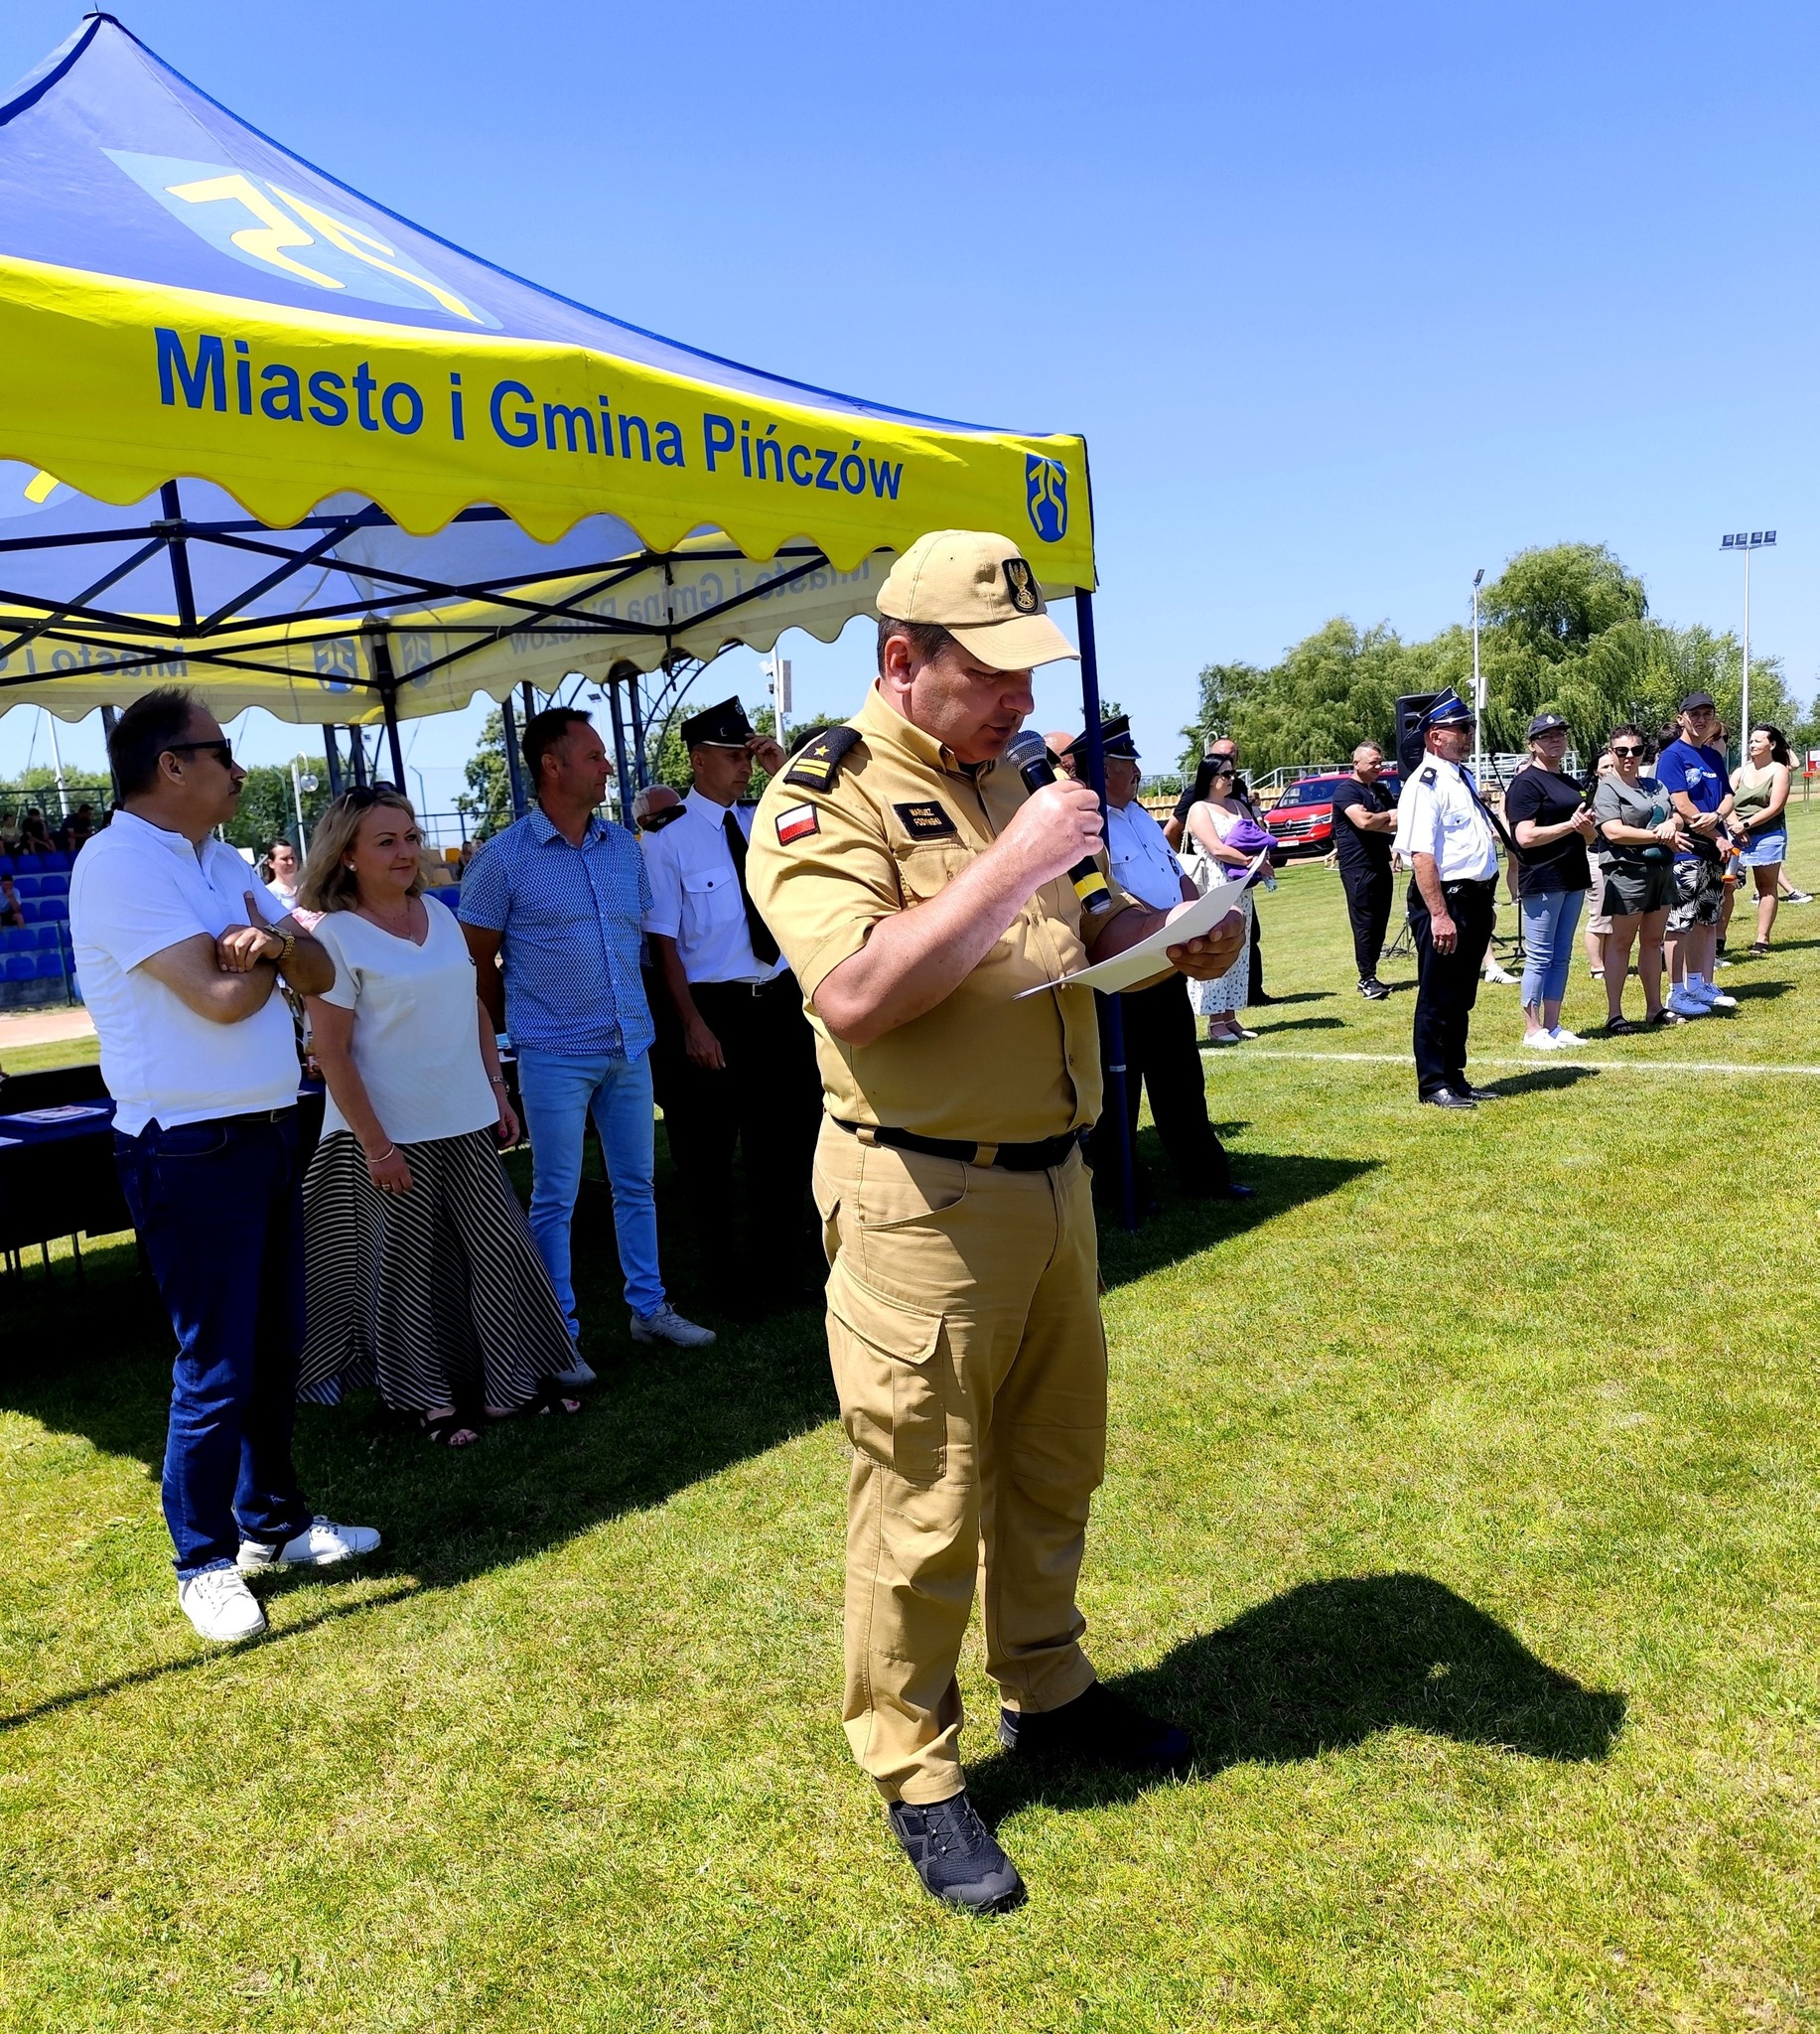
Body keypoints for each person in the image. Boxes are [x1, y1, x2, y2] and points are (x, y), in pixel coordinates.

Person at [746, 529, 1244, 1915]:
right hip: (918, 1197)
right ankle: (914, 1766)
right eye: (993, 675)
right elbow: (855, 994)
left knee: (1051, 1460)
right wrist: (1009, 861)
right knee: (921, 1497)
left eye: (1031, 674)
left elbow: (1089, 920)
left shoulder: (1014, 774)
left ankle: (1049, 1683)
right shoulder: (823, 794)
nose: (1022, 702)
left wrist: (1176, 936)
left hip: (1053, 1177)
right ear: (903, 660)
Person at [69, 687, 376, 1645]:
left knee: (276, 1345)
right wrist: (272, 957)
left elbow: (322, 973)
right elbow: (219, 997)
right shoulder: (117, 863)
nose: (238, 770)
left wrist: (270, 945)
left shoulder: (220, 860)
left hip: (265, 1128)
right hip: (189, 1144)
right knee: (216, 1362)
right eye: (222, 751)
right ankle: (201, 1561)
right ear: (172, 766)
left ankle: (271, 1524)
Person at [295, 788, 580, 1443]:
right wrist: (376, 1147)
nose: (405, 852)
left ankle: (510, 1389)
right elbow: (331, 1052)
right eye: (386, 842)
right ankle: (424, 1403)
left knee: (501, 1254)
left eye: (411, 837)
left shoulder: (438, 914)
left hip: (465, 1120)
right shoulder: (334, 936)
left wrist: (496, 1092)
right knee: (405, 1272)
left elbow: (471, 1006)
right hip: (388, 1135)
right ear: (346, 855)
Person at [459, 708, 713, 1367]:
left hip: (629, 1045)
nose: (607, 767)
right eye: (594, 755)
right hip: (552, 1051)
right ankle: (557, 1332)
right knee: (555, 1195)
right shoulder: (503, 859)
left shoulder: (622, 848)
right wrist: (503, 1040)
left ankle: (649, 1309)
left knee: (637, 1185)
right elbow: (475, 961)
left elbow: (639, 945)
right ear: (553, 765)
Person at [641, 697, 823, 1314]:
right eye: (732, 755)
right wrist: (691, 1023)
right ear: (698, 761)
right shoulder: (667, 838)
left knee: (785, 1142)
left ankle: (781, 1273)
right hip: (715, 1007)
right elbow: (663, 942)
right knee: (710, 1154)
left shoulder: (767, 817)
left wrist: (782, 771)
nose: (745, 765)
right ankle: (724, 1283)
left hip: (778, 1002)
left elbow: (826, 827)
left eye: (748, 754)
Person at [1064, 716, 1252, 1208]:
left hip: (1167, 962)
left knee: (1181, 1078)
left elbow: (1176, 873)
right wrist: (1165, 925)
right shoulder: (1088, 824)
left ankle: (1204, 1172)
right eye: (1127, 764)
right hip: (1124, 970)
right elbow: (1109, 900)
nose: (1137, 773)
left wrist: (1195, 916)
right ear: (1103, 768)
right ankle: (1123, 1185)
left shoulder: (1140, 816)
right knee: (1119, 1088)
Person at [1391, 689, 1501, 1108]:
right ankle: (1433, 1083)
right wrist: (1439, 915)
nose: (1469, 734)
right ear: (1435, 737)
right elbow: (1422, 855)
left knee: (1461, 997)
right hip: (1446, 901)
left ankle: (1455, 1076)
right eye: (1461, 728)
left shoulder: (1460, 776)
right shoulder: (1425, 784)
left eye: (1468, 726)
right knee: (1438, 996)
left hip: (1474, 900)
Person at [1502, 713, 1597, 1050]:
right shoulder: (1526, 783)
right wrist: (1570, 826)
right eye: (1546, 736)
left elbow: (1588, 838)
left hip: (1573, 874)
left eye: (1560, 734)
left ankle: (1553, 1026)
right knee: (1540, 955)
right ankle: (1532, 1029)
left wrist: (1586, 829)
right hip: (1543, 878)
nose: (1555, 740)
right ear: (1532, 744)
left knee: (1561, 954)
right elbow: (1524, 837)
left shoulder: (1571, 783)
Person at [1655, 692, 1741, 1020]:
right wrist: (1716, 835)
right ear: (1681, 719)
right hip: (1687, 851)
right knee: (1680, 923)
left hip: (1714, 851)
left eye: (1707, 713)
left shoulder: (1712, 755)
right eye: (1694, 714)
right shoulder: (1673, 756)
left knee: (1707, 921)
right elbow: (1682, 805)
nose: (1701, 720)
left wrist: (1718, 816)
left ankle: (1700, 983)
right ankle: (1676, 991)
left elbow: (1728, 797)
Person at [1592, 725, 1679, 1031]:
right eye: (1622, 751)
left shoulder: (1654, 785)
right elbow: (1613, 831)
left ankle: (1654, 1008)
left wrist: (1673, 824)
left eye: (1636, 750)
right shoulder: (1607, 789)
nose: (1629, 756)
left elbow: (1675, 814)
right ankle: (1615, 1014)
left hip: (1661, 870)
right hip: (1627, 872)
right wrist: (1658, 835)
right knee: (1621, 943)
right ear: (1611, 752)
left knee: (1653, 941)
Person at [1182, 758, 1255, 1043]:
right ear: (1211, 778)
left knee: (1239, 948)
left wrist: (1259, 857)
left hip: (1241, 886)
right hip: (1215, 885)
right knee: (1217, 946)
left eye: (1233, 772)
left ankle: (1231, 1016)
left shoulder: (1238, 806)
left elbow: (1254, 835)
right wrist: (1249, 860)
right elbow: (1215, 847)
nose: (1232, 778)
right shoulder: (1199, 809)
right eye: (1226, 774)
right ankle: (1215, 1021)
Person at [1330, 741, 1398, 998]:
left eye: (1380, 762)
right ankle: (1366, 978)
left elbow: (1398, 821)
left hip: (1381, 862)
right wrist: (1384, 817)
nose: (1378, 767)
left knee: (1380, 921)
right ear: (1356, 763)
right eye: (1373, 763)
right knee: (1364, 922)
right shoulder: (1346, 791)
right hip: (1357, 866)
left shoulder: (1380, 790)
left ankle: (1371, 974)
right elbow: (1364, 821)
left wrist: (1378, 819)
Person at [1731, 724, 1792, 957]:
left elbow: (1776, 807)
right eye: (1751, 741)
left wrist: (1746, 825)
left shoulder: (1779, 771)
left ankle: (1762, 939)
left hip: (1768, 835)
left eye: (1758, 741)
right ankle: (1719, 939)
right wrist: (1735, 826)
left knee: (1765, 886)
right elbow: (1725, 800)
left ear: (1772, 745)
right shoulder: (1740, 771)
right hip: (1736, 835)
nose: (1752, 745)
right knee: (1727, 886)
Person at [262, 838, 302, 913]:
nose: (290, 862)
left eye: (292, 858)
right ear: (271, 863)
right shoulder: (268, 894)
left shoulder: (307, 888)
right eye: (284, 859)